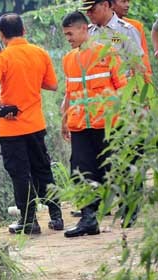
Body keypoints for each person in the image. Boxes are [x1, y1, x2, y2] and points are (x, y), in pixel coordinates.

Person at [0, 13, 63, 235]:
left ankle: (29, 221)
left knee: (20, 174)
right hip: (36, 124)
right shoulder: (40, 53)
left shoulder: (3, 58)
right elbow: (52, 84)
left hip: (12, 128)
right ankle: (56, 217)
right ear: (24, 30)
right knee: (43, 169)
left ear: (1, 35)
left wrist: (2, 108)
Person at [60, 11, 127, 237]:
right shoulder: (68, 59)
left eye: (70, 33)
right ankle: (89, 219)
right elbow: (70, 93)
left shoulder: (107, 52)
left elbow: (123, 86)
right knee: (81, 172)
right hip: (79, 125)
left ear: (84, 29)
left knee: (113, 167)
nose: (68, 38)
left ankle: (128, 208)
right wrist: (65, 120)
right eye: (65, 34)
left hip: (107, 123)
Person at [84, 0, 144, 73]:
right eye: (87, 10)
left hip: (122, 82)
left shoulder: (126, 30)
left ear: (105, 5)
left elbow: (137, 66)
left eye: (92, 10)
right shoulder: (88, 32)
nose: (88, 14)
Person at [111, 0, 152, 78]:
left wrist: (146, 78)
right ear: (111, 4)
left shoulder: (134, 26)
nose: (128, 5)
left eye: (128, 1)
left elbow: (143, 56)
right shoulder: (98, 28)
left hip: (131, 79)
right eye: (123, 2)